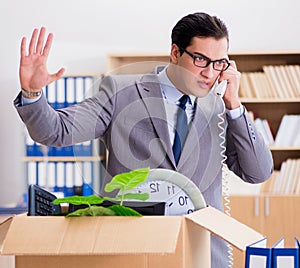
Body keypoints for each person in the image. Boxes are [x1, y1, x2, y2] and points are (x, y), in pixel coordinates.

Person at [14, 12, 273, 267]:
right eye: (201, 59)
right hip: (135, 252)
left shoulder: (219, 109)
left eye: (220, 63)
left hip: (203, 254)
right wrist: (33, 92)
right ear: (175, 53)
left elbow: (258, 172)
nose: (209, 73)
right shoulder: (120, 92)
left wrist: (235, 106)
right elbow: (56, 131)